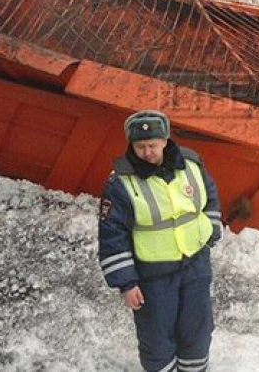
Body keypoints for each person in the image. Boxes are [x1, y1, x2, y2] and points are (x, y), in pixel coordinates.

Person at [98, 109, 222, 372]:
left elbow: (209, 195)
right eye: (140, 146)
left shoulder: (191, 163)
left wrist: (211, 229)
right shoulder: (120, 182)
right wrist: (126, 283)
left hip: (195, 264)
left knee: (197, 330)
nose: (147, 152)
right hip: (153, 274)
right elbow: (112, 234)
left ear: (165, 141)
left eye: (153, 145)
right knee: (156, 338)